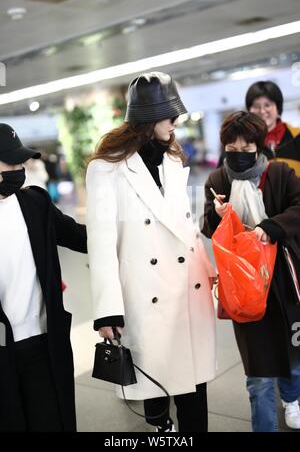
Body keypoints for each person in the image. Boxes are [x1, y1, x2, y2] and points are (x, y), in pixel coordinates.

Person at [86, 71, 216, 432]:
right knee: (156, 387)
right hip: (145, 295)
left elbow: (184, 227)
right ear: (148, 116)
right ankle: (163, 429)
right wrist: (107, 311)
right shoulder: (106, 169)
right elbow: (101, 244)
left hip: (189, 291)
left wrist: (207, 267)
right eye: (169, 114)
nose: (176, 121)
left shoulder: (173, 160)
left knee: (194, 389)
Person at [202, 111, 300, 432]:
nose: (239, 154)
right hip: (244, 286)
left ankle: (292, 398)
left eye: (247, 148)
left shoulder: (280, 173)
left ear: (259, 147)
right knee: (258, 373)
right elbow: (208, 227)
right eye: (233, 147)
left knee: (292, 354)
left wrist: (273, 226)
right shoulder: (217, 181)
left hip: (283, 280)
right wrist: (219, 215)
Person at [0, 123, 87, 432]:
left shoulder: (34, 203)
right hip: (3, 349)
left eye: (19, 161)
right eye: (10, 162)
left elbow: (80, 237)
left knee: (50, 421)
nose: (18, 168)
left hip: (43, 340)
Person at [246, 80, 300, 177]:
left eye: (267, 105)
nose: (262, 111)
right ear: (249, 111)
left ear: (278, 107)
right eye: (256, 106)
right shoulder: (243, 143)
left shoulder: (297, 136)